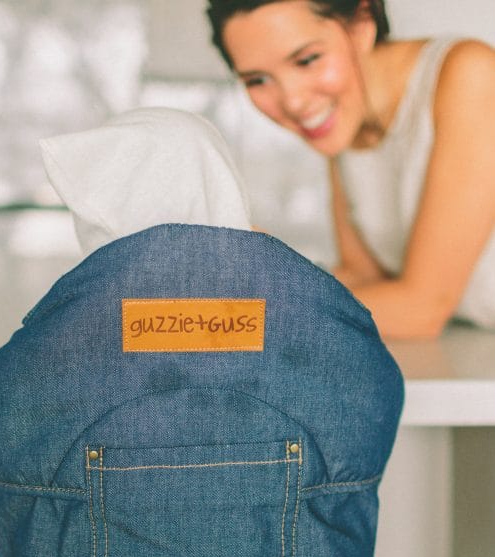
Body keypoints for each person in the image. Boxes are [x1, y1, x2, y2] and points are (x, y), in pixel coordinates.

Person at [8, 107, 333, 557]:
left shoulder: (80, 311)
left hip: (105, 549)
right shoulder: (274, 291)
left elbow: (24, 408)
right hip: (258, 536)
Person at [206, 0, 495, 339]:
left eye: (307, 60)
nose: (293, 101)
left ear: (361, 22)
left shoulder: (471, 73)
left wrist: (240, 316)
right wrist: (265, 266)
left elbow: (420, 311)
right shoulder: (347, 117)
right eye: (257, 80)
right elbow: (365, 278)